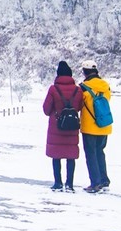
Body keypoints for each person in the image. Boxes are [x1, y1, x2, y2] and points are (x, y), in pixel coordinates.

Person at [41, 60, 82, 192]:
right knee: (70, 156)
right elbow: (80, 106)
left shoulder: (53, 89)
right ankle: (69, 184)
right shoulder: (78, 90)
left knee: (56, 155)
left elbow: (46, 110)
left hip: (56, 127)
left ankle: (58, 183)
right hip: (72, 127)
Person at [79, 60, 113, 193]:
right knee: (100, 152)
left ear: (85, 72)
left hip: (89, 126)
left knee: (91, 154)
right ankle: (104, 181)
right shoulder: (105, 85)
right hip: (104, 125)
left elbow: (79, 104)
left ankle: (95, 183)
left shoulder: (83, 87)